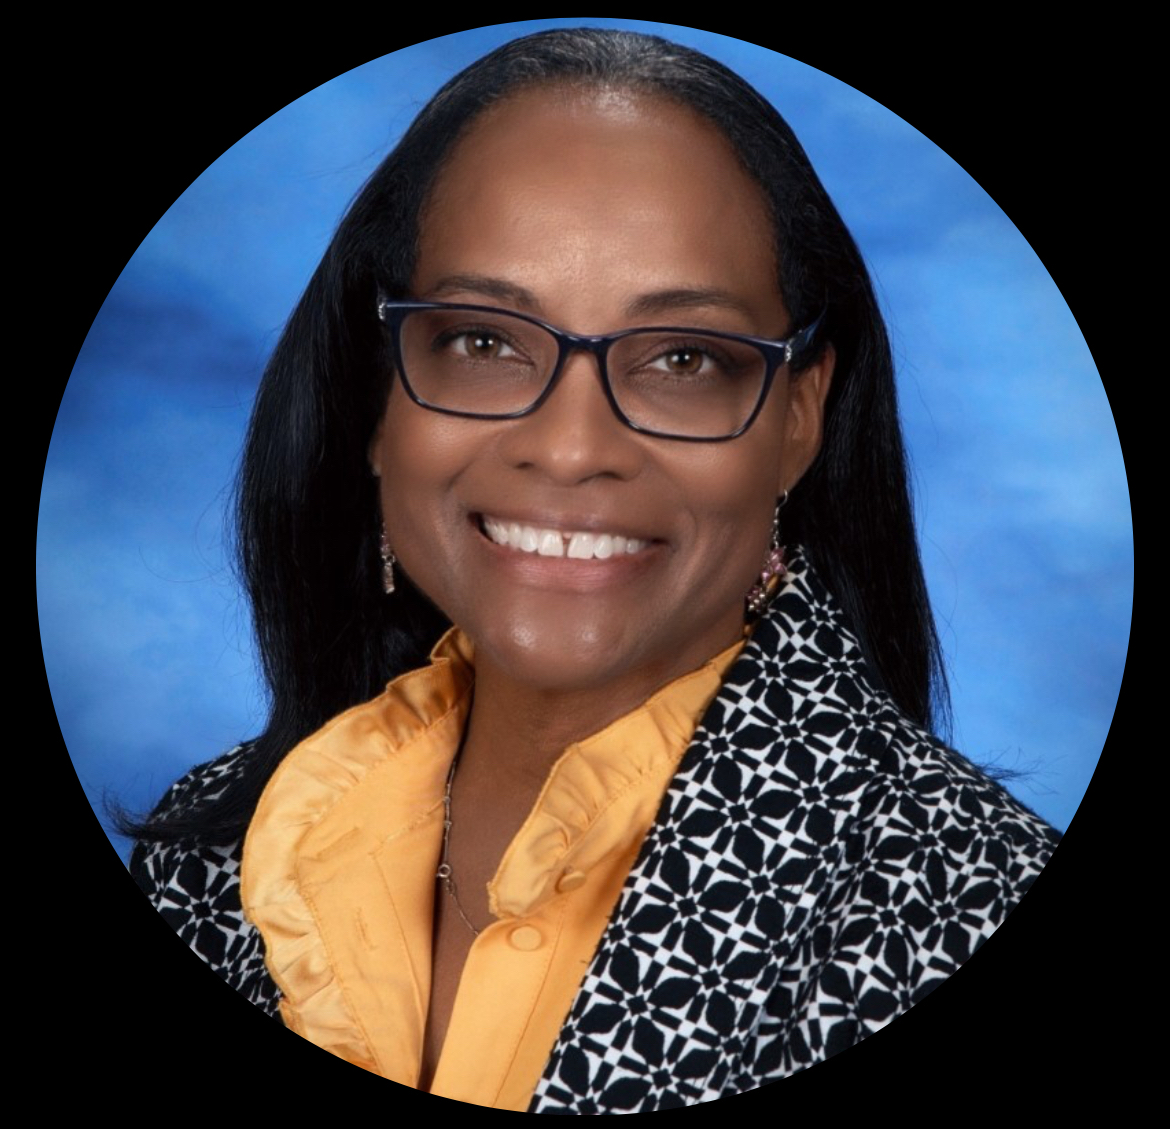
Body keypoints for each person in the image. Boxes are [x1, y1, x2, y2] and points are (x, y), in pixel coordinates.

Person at [127, 28, 1059, 1113]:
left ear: (799, 419)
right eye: (483, 341)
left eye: (683, 360)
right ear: (375, 396)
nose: (570, 448)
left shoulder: (960, 912)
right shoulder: (217, 862)